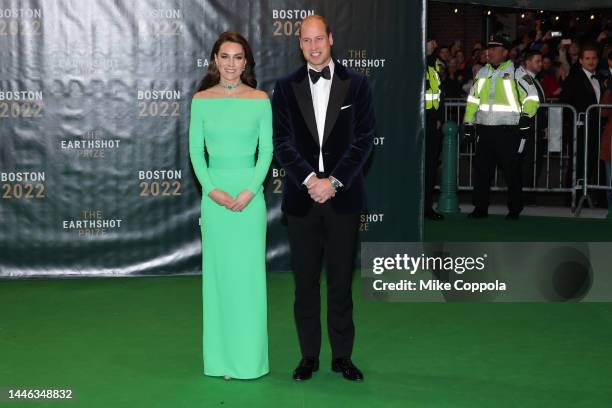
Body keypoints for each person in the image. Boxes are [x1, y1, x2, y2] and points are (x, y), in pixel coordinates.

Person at [272, 15, 375, 382]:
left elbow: (364, 139)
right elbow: (281, 141)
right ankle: (309, 356)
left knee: (341, 281)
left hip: (342, 197)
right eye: (306, 41)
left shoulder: (357, 84)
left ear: (331, 39)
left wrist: (333, 181)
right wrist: (308, 180)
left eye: (319, 39)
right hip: (302, 199)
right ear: (299, 44)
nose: (314, 47)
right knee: (304, 283)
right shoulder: (285, 87)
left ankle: (343, 356)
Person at [188, 31, 273, 380]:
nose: (231, 64)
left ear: (247, 63)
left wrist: (251, 191)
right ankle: (221, 361)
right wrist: (211, 190)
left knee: (249, 281)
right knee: (220, 281)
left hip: (249, 202)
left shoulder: (260, 99)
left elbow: (266, 151)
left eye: (238, 58)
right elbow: (196, 151)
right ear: (214, 60)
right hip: (215, 201)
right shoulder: (200, 99)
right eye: (225, 56)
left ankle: (249, 361)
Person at [463, 35, 540, 220]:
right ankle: (480, 208)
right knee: (482, 172)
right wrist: (467, 123)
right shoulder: (482, 72)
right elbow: (472, 100)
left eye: (493, 48)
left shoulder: (517, 72)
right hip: (485, 130)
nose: (488, 52)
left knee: (512, 173)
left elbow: (532, 96)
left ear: (505, 52)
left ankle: (514, 210)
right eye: (487, 48)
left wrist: (526, 117)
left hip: (508, 131)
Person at [560, 43, 603, 191]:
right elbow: (565, 103)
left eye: (594, 58)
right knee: (577, 165)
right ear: (581, 61)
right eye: (587, 58)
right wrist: (573, 123)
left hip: (596, 130)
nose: (591, 61)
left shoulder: (600, 78)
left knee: (591, 163)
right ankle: (573, 197)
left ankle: (584, 194)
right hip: (579, 129)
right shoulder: (574, 78)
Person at [515, 50, 546, 195]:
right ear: (527, 62)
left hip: (534, 127)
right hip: (528, 127)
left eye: (541, 61)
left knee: (532, 162)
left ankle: (527, 193)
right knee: (527, 162)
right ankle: (525, 194)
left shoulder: (533, 79)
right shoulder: (524, 79)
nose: (541, 64)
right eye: (537, 61)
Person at [424, 34, 444, 220]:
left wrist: (439, 117)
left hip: (431, 123)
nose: (435, 44)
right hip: (418, 124)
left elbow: (439, 93)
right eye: (432, 41)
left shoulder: (434, 63)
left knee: (430, 168)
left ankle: (427, 208)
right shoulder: (414, 62)